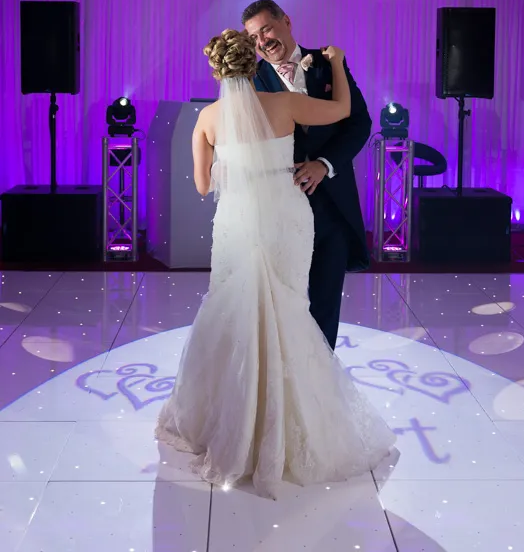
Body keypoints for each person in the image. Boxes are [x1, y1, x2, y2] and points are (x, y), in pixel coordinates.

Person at [156, 29, 395, 499]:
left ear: (216, 70)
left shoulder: (206, 118)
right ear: (252, 64)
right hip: (288, 215)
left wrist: (232, 167)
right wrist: (340, 63)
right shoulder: (284, 105)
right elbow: (345, 112)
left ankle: (235, 418)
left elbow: (203, 186)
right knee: (288, 310)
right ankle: (294, 418)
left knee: (234, 310)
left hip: (239, 219)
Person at [242, 0, 371, 350]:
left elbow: (359, 122)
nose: (262, 41)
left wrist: (325, 164)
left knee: (326, 304)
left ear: (286, 21)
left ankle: (320, 383)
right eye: (253, 37)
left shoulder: (331, 64)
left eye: (266, 29)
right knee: (283, 302)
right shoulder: (250, 79)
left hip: (331, 205)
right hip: (280, 208)